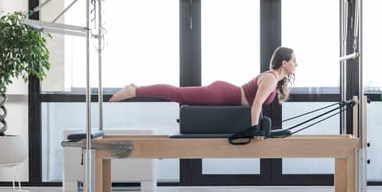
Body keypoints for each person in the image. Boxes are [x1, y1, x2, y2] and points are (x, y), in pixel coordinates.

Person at [109, 46, 297, 137]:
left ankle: (136, 89)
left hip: (225, 94)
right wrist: (255, 129)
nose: (296, 64)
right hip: (221, 94)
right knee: (178, 93)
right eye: (294, 61)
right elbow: (256, 103)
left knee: (178, 93)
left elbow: (255, 103)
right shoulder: (271, 78)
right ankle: (135, 90)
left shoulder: (273, 79)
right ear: (284, 63)